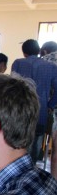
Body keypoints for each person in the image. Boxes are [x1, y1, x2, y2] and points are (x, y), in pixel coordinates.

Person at [11, 39, 57, 164]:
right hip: (41, 110)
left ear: (24, 52)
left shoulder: (18, 63)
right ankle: (32, 169)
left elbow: (12, 86)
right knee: (37, 141)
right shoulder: (51, 67)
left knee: (19, 141)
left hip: (20, 109)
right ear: (39, 51)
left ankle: (19, 171)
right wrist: (50, 105)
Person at [40, 41, 57, 178]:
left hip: (51, 109)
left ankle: (54, 184)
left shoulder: (46, 61)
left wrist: (49, 105)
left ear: (45, 51)